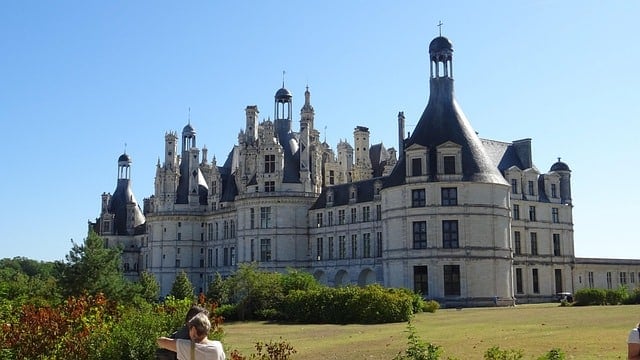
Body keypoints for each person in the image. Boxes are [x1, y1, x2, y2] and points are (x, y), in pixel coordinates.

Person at [157, 312, 226, 360]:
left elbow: (161, 341)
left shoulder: (188, 347)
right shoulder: (218, 346)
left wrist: (177, 334)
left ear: (193, 330)